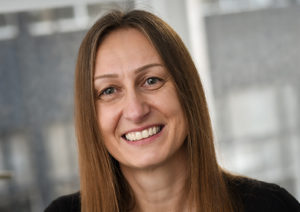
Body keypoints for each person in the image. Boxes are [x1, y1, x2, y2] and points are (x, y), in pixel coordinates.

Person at [45, 9, 300, 212]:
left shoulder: (271, 206)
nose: (135, 111)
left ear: (186, 90)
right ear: (91, 115)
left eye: (152, 81)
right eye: (109, 91)